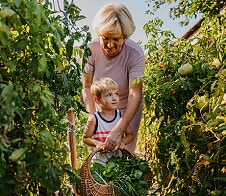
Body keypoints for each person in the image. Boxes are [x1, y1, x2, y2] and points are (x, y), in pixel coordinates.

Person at [82, 3, 145, 152]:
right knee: (101, 152)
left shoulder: (135, 53)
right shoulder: (90, 50)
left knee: (124, 151)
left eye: (116, 39)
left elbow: (135, 93)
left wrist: (118, 130)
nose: (110, 45)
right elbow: (86, 86)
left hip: (128, 106)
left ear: (125, 36)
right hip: (102, 107)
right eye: (105, 38)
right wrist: (94, 117)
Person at [83, 77, 134, 150]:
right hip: (100, 160)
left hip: (118, 159)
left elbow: (131, 135)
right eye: (109, 95)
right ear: (97, 100)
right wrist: (97, 143)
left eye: (116, 93)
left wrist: (122, 141)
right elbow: (86, 138)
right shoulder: (94, 119)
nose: (114, 98)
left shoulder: (120, 116)